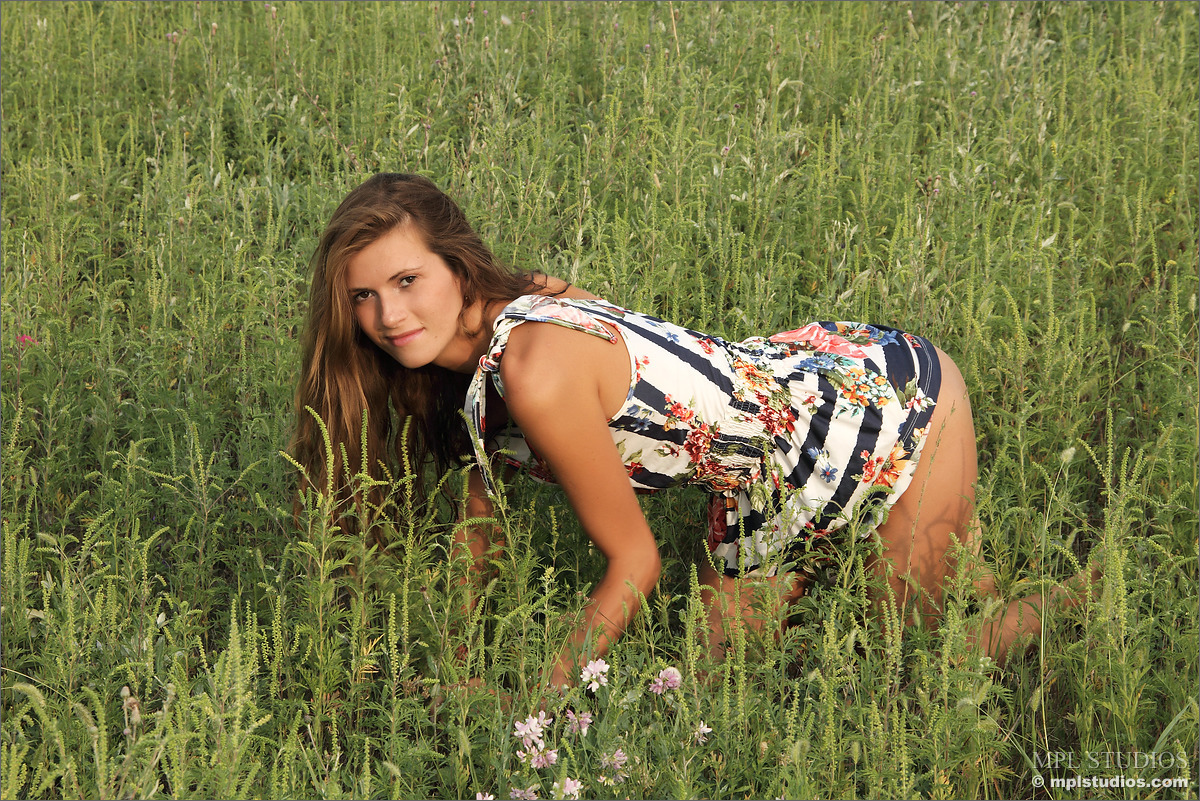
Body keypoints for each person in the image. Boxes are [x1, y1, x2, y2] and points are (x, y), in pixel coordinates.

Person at [292, 172, 1093, 691]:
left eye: (407, 279)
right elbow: (481, 517)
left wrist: (539, 694)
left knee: (922, 670)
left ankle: (1087, 596)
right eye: (364, 296)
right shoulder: (487, 334)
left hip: (861, 405)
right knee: (713, 695)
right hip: (754, 481)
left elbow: (636, 562)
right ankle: (964, 571)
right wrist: (459, 660)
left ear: (458, 264)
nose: (389, 314)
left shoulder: (534, 366)